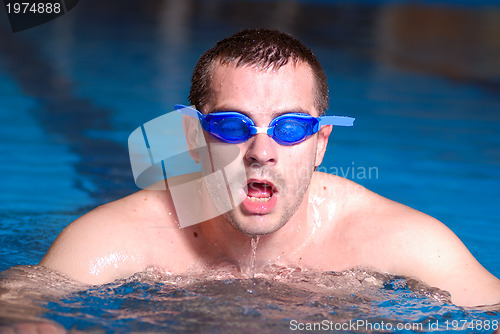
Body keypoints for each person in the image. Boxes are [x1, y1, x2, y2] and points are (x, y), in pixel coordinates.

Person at [39, 29, 500, 307]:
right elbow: (16, 305)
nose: (261, 150)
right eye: (232, 125)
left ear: (320, 144)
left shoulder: (396, 240)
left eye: (292, 126)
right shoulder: (122, 239)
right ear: (194, 139)